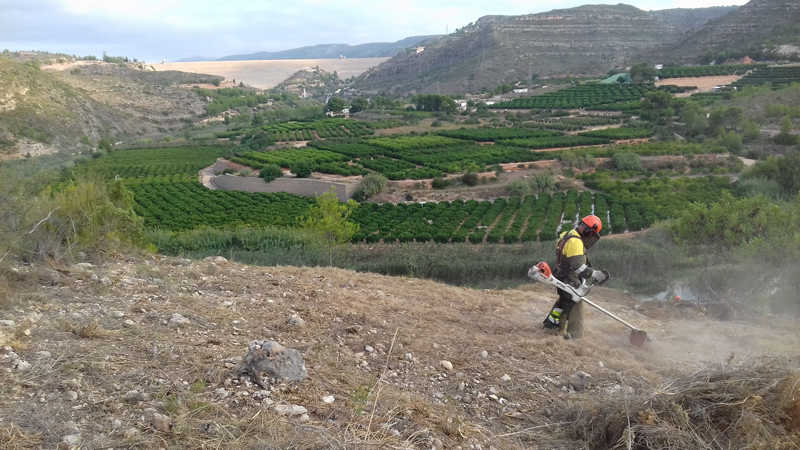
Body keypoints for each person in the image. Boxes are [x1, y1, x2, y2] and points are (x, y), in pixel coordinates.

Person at [542, 214, 608, 339]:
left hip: (561, 275)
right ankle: (575, 336)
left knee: (564, 302)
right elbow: (578, 267)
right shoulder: (576, 242)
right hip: (569, 279)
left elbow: (569, 258)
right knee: (576, 304)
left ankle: (551, 325)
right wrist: (595, 274)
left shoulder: (568, 234)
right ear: (590, 232)